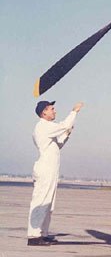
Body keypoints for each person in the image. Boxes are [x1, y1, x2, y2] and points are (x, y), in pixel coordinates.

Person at [27, 100, 83, 246]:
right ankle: (34, 236)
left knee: (48, 203)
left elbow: (57, 145)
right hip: (45, 169)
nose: (55, 111)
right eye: (52, 109)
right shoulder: (44, 126)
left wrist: (67, 135)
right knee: (41, 201)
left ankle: (43, 234)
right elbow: (64, 125)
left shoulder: (47, 128)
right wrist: (74, 111)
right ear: (43, 112)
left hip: (50, 169)